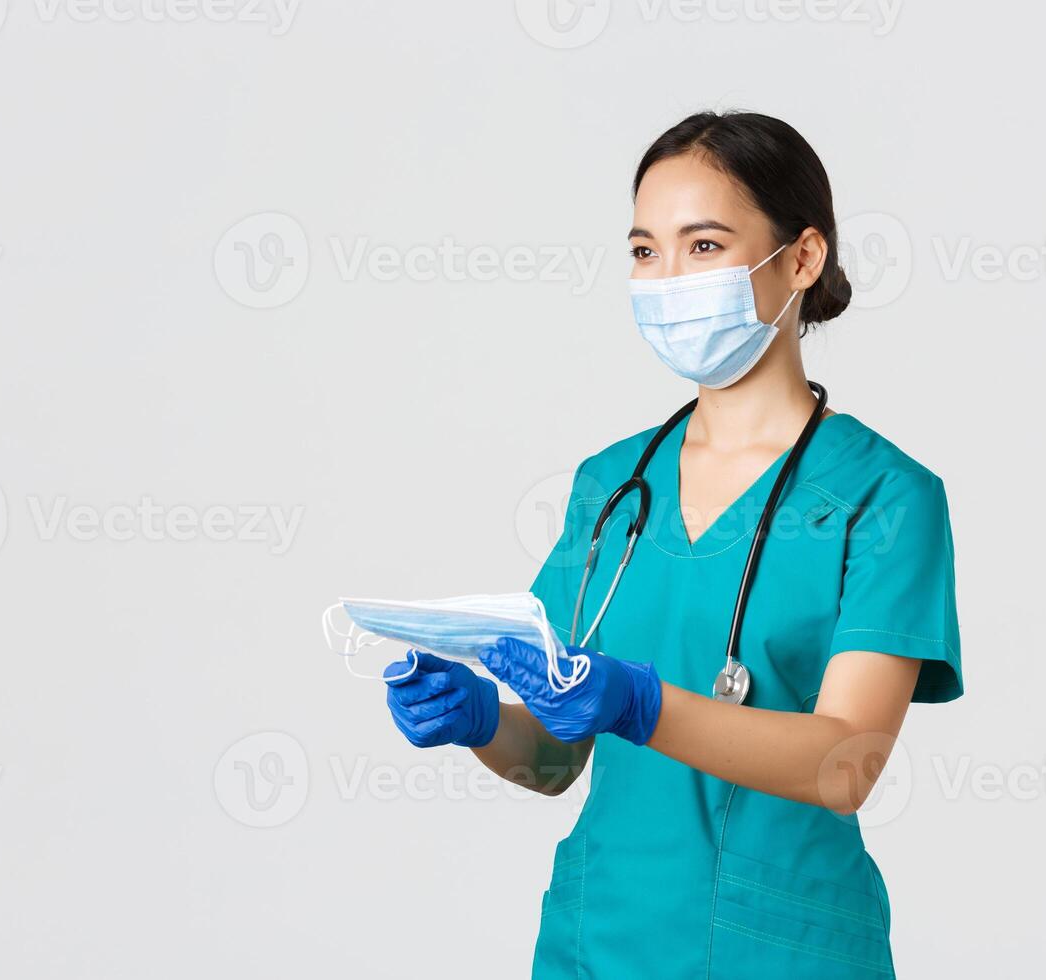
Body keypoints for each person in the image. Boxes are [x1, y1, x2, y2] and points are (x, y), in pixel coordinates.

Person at [381, 110, 963, 978]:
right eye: (645, 251)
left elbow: (845, 764)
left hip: (782, 951)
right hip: (597, 945)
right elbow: (553, 758)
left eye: (702, 246)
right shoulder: (611, 489)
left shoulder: (885, 497)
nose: (665, 279)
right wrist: (475, 721)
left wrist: (643, 705)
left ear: (801, 260)